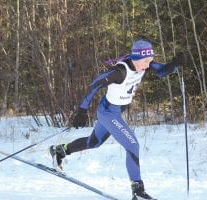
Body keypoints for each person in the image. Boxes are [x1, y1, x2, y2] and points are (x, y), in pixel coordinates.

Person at [50, 39, 186, 199]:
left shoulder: (143, 65)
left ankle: (60, 151)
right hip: (109, 113)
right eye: (146, 61)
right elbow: (93, 85)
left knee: (94, 142)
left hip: (113, 111)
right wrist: (82, 110)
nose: (149, 65)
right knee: (133, 145)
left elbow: (162, 71)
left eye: (150, 60)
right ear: (136, 58)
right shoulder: (120, 72)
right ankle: (138, 191)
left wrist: (175, 64)